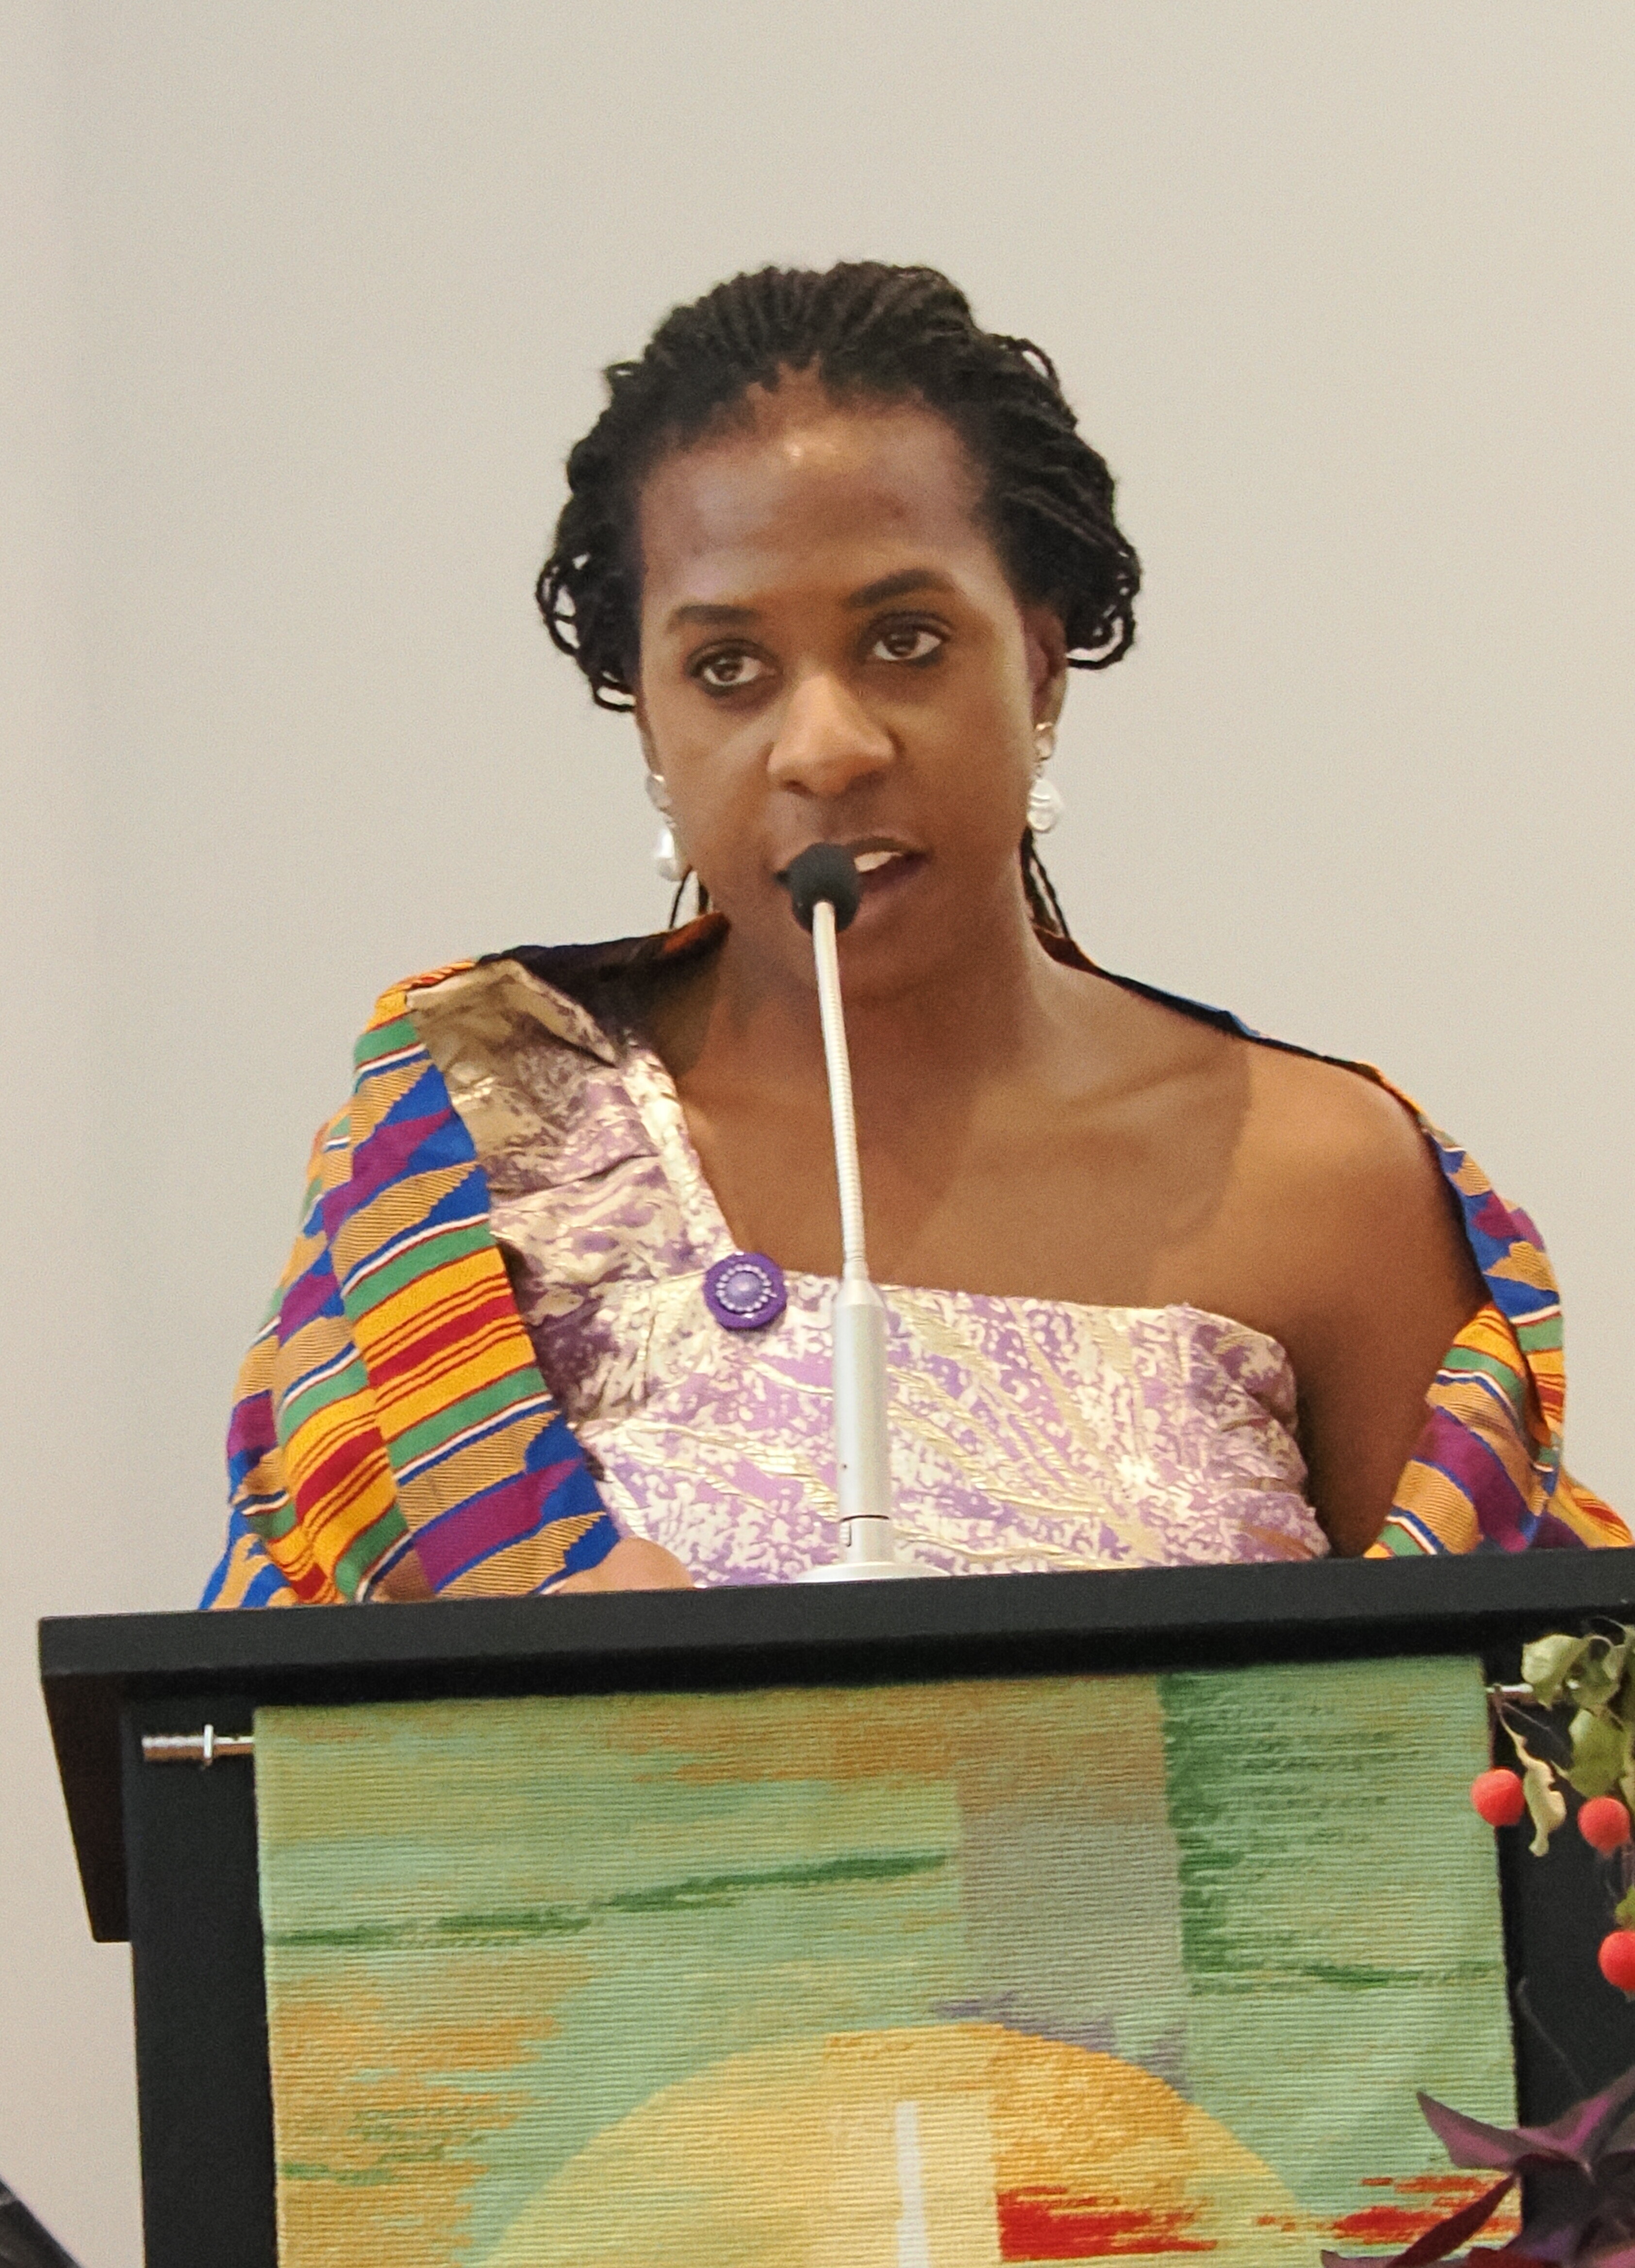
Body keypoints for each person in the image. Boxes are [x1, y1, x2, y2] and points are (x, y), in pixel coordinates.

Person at [205, 263, 1624, 1608]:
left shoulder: (1320, 1181)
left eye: (904, 641)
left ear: (1041, 667)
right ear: (648, 721)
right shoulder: (481, 1153)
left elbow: (1515, 1732)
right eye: (726, 668)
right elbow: (285, 1749)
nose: (825, 746)